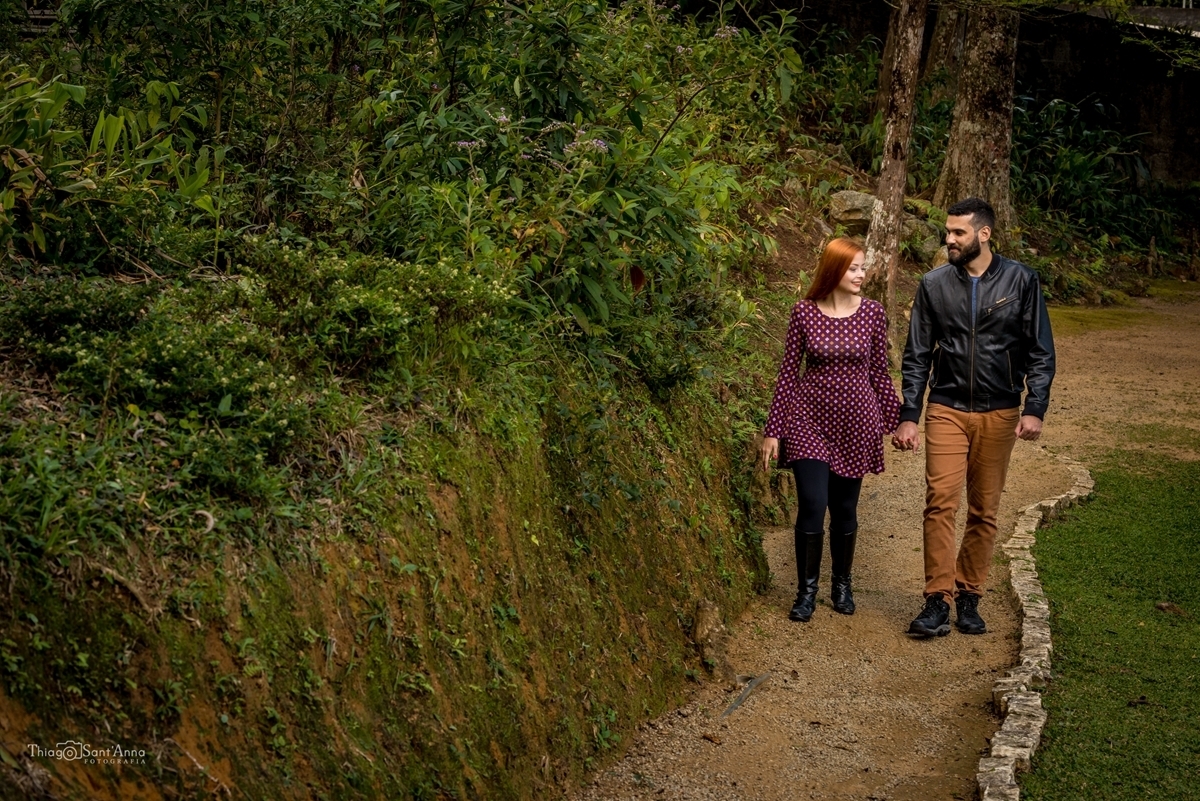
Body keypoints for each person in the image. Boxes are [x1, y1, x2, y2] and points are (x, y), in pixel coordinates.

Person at [892, 197, 1056, 638]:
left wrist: (1034, 407)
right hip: (945, 407)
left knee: (984, 510)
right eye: (948, 232)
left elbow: (1040, 351)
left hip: (1000, 409)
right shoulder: (933, 284)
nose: (949, 239)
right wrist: (910, 414)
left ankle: (969, 596)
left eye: (958, 233)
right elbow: (917, 354)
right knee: (940, 502)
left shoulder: (1022, 280)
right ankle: (936, 600)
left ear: (983, 234)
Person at [760, 237, 901, 623]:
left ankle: (841, 584)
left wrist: (900, 420)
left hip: (856, 421)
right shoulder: (804, 312)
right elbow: (788, 373)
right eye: (853, 267)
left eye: (862, 267)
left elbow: (879, 373)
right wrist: (773, 430)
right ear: (834, 269)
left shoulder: (872, 312)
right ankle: (806, 592)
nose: (861, 274)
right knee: (812, 502)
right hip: (808, 419)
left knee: (843, 508)